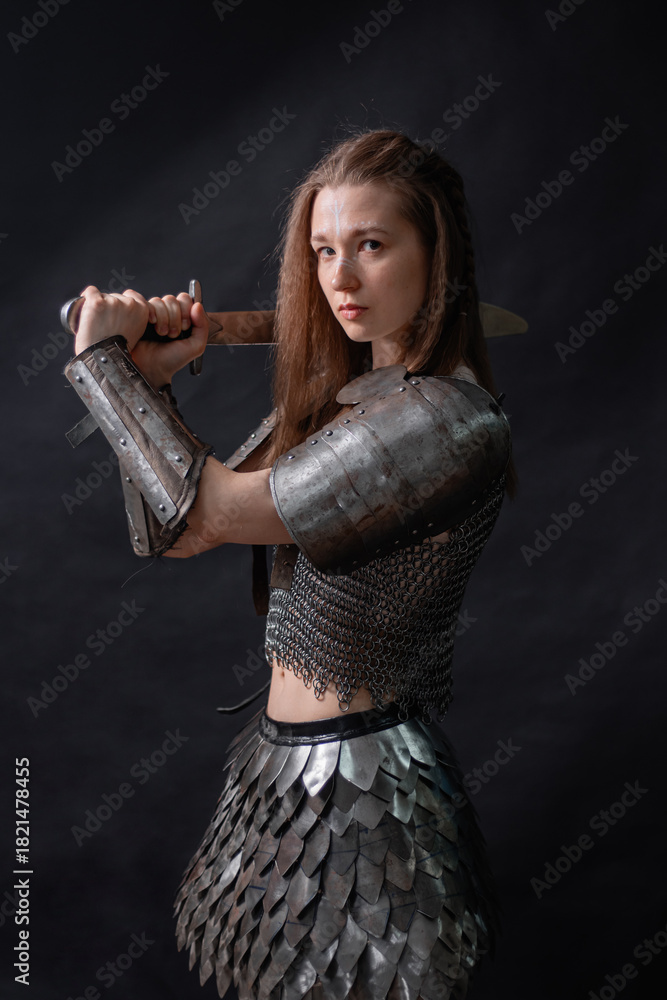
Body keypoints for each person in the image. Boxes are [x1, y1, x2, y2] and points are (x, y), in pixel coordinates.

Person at [65, 129, 515, 1000]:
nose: (340, 278)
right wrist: (149, 382)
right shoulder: (348, 407)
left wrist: (100, 365)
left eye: (371, 245)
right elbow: (175, 533)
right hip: (278, 776)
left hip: (371, 794)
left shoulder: (445, 421)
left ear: (437, 257)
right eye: (322, 251)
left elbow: (210, 509)